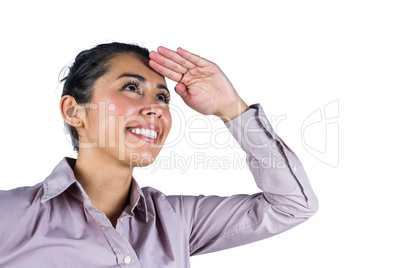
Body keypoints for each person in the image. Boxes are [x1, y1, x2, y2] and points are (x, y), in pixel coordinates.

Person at [0, 42, 318, 267]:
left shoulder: (175, 222)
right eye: (131, 88)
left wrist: (231, 108)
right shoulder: (10, 215)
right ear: (74, 111)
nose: (155, 108)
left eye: (163, 97)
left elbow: (292, 205)